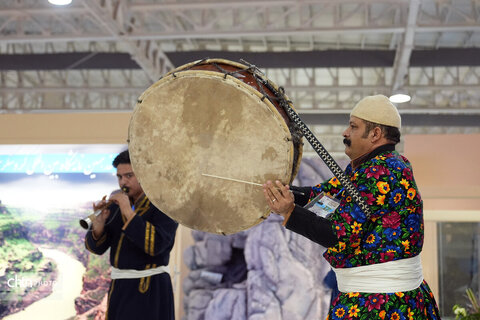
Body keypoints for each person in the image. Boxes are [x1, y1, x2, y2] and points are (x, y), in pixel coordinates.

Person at [263, 95, 441, 319]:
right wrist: (288, 194)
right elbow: (326, 198)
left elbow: (338, 235)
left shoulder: (383, 171)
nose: (345, 133)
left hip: (383, 305)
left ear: (375, 134)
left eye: (353, 127)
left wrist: (289, 211)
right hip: (375, 299)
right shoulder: (369, 168)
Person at [85, 150, 178, 320]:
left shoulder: (165, 205)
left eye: (129, 176)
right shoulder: (116, 207)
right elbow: (96, 249)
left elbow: (156, 245)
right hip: (120, 287)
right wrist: (98, 225)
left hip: (150, 289)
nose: (123, 182)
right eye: (119, 177)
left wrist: (128, 211)